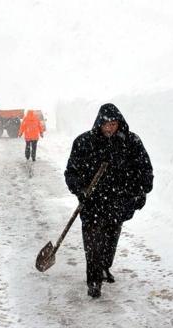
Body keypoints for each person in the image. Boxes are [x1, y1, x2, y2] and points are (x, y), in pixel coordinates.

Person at [64, 103, 153, 298]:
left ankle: (104, 266)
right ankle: (94, 281)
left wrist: (142, 190)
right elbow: (71, 172)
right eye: (106, 124)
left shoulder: (131, 142)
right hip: (92, 202)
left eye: (114, 124)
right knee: (92, 241)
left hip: (118, 201)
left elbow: (144, 168)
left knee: (110, 238)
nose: (110, 128)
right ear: (99, 124)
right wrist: (80, 190)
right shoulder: (84, 142)